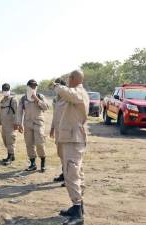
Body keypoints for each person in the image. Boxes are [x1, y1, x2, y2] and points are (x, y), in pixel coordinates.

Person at [53, 70, 89, 225]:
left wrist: (56, 86)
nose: (67, 80)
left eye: (69, 78)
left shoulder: (78, 92)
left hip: (74, 140)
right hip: (71, 138)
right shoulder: (75, 92)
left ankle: (78, 214)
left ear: (74, 79)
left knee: (71, 173)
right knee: (74, 173)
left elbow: (69, 94)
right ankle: (77, 207)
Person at [15, 79, 49, 172]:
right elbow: (19, 111)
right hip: (28, 123)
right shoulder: (23, 98)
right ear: (28, 87)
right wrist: (19, 124)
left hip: (39, 123)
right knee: (29, 144)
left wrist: (36, 99)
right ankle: (33, 163)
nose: (34, 87)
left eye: (35, 86)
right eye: (32, 86)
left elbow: (46, 107)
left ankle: (43, 163)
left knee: (40, 143)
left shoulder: (40, 96)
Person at [50, 78, 67, 187]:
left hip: (66, 132)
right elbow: (55, 115)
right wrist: (52, 128)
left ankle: (69, 178)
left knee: (67, 155)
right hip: (58, 131)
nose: (56, 89)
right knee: (61, 154)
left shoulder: (68, 99)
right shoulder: (56, 100)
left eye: (57, 86)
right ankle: (64, 174)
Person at [0, 83, 18, 166]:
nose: (5, 91)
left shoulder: (13, 100)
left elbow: (17, 112)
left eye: (6, 89)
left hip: (11, 124)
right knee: (5, 140)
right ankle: (11, 155)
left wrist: (17, 123)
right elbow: (0, 113)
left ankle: (10, 156)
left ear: (9, 90)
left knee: (10, 141)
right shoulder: (2, 101)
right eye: (4, 89)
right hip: (4, 125)